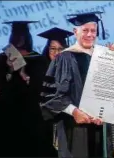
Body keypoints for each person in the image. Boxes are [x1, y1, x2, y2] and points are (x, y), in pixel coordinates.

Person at [39, 11, 114, 158]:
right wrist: (74, 112)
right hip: (74, 128)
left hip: (100, 126)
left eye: (93, 31)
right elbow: (50, 95)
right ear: (75, 31)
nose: (89, 34)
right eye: (85, 30)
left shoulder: (103, 56)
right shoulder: (64, 58)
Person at [0, 21, 48, 156]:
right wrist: (10, 69)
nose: (19, 38)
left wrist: (25, 76)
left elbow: (40, 86)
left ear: (28, 36)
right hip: (9, 112)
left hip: (32, 113)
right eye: (16, 34)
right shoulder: (0, 59)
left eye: (22, 34)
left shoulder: (38, 59)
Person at [37, 27, 74, 157]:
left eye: (60, 49)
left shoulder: (72, 70)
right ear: (47, 49)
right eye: (52, 48)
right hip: (44, 124)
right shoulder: (40, 70)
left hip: (67, 122)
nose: (56, 52)